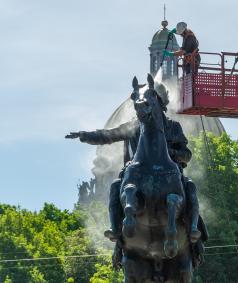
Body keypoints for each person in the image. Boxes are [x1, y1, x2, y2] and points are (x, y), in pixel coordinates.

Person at [65, 83, 205, 245]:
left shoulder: (173, 127)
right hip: (136, 173)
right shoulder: (133, 126)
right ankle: (115, 228)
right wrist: (84, 135)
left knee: (190, 188)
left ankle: (194, 228)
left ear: (160, 103)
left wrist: (172, 153)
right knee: (116, 187)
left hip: (170, 174)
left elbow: (186, 155)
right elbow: (108, 135)